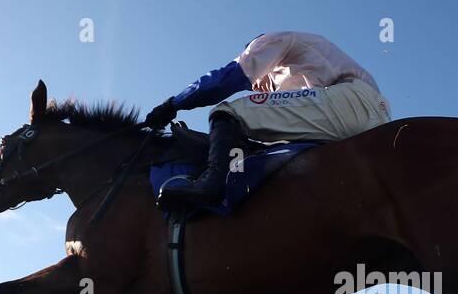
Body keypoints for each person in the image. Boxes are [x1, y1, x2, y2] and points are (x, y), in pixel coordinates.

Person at [145, 31, 392, 208]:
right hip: (372, 116)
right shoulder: (301, 68)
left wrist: (173, 104)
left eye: (260, 79)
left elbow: (226, 79)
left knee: (227, 112)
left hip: (350, 101)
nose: (258, 86)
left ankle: (210, 186)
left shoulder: (268, 42)